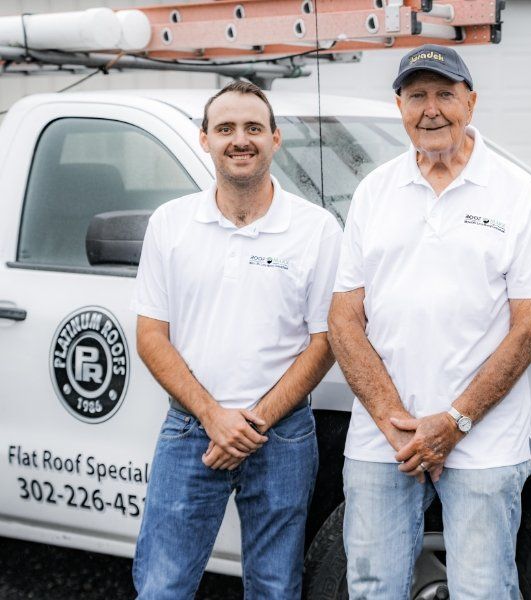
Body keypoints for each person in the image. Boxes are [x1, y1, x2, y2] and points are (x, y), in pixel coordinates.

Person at [327, 44, 531, 599]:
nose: (431, 109)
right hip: (384, 440)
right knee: (372, 586)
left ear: (471, 102)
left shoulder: (519, 194)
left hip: (484, 439)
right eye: (417, 95)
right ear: (400, 105)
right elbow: (343, 318)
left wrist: (454, 422)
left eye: (445, 94)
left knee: (484, 589)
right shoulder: (374, 191)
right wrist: (393, 419)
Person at [130, 81, 341, 598]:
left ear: (276, 139)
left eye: (252, 128)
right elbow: (151, 335)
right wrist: (212, 416)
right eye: (225, 128)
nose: (239, 139)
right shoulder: (171, 224)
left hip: (283, 434)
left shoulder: (317, 230)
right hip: (190, 429)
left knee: (274, 587)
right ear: (204, 139)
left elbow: (326, 341)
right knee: (162, 585)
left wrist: (254, 422)